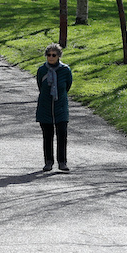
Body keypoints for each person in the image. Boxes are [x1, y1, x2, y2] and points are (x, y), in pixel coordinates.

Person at [36, 42, 73, 171]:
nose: (51, 57)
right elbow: (40, 86)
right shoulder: (42, 70)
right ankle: (48, 162)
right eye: (49, 55)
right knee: (47, 136)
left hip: (61, 108)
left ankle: (62, 162)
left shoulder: (65, 70)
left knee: (62, 135)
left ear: (59, 56)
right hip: (45, 108)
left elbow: (67, 86)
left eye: (54, 55)